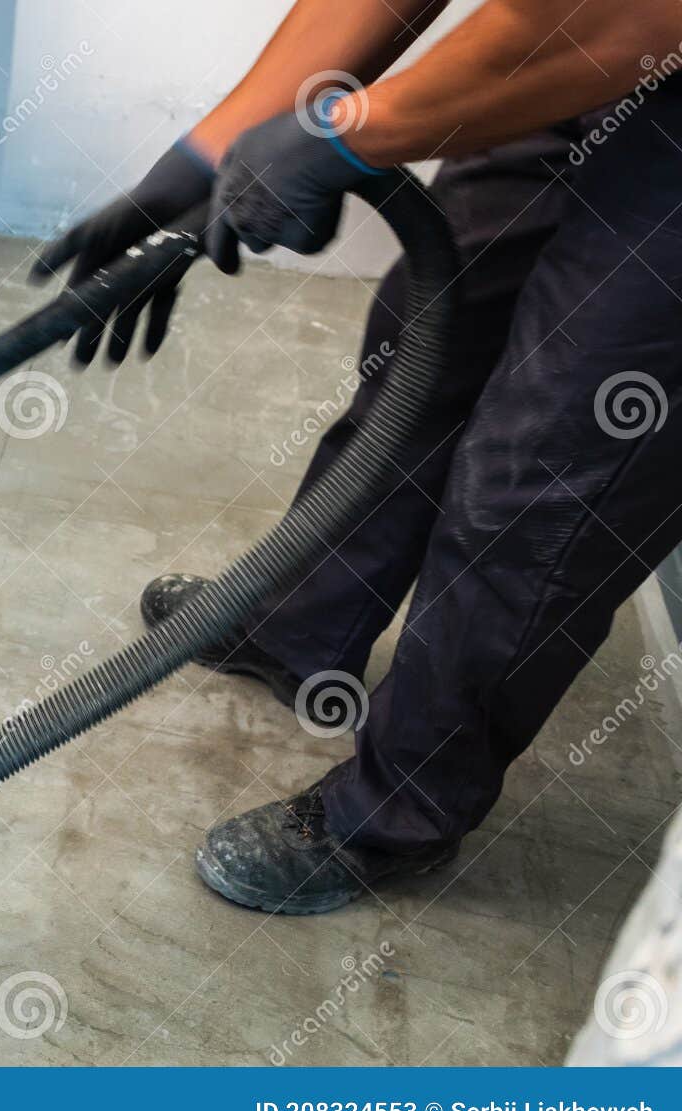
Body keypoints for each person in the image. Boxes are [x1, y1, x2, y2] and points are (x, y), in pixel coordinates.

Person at [34, 0, 682, 914]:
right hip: (600, 36)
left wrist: (345, 135)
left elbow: (633, 19)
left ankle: (400, 806)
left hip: (635, 29)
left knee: (553, 460)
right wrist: (210, 153)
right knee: (431, 328)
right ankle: (302, 626)